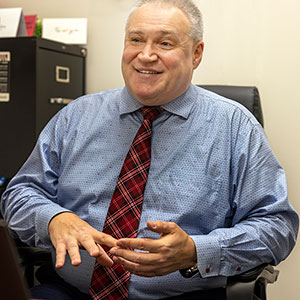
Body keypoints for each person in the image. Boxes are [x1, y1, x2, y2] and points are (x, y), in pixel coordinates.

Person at [1, 0, 298, 299]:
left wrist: (197, 251)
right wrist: (53, 218)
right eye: (136, 40)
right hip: (71, 292)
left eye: (165, 43)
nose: (145, 55)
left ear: (196, 54)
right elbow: (19, 194)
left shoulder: (235, 127)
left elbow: (277, 227)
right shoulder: (76, 117)